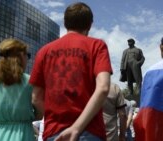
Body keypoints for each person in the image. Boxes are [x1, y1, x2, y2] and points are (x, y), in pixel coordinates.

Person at [29, 2, 112, 141]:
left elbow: (36, 97)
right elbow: (103, 88)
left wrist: (54, 119)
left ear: (65, 23)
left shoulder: (44, 51)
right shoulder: (97, 46)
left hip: (55, 134)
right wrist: (76, 128)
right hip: (89, 130)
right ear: (90, 25)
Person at [0, 38, 35, 141]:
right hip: (22, 134)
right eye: (28, 55)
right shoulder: (30, 81)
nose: (27, 59)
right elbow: (39, 113)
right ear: (21, 56)